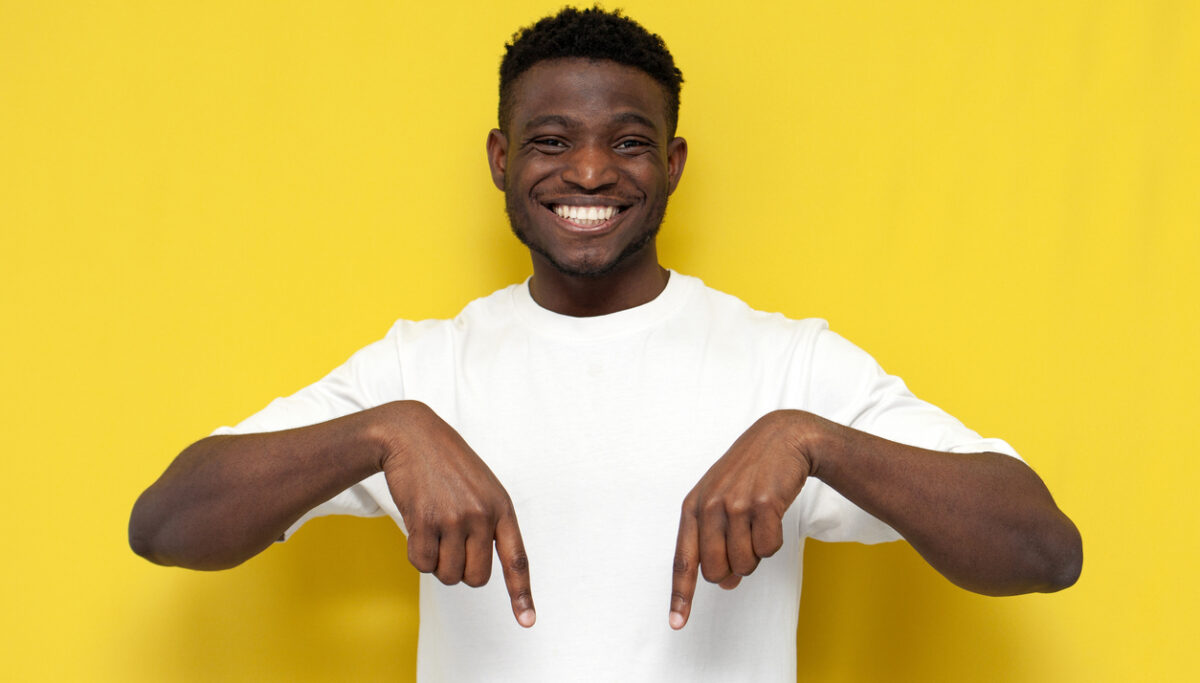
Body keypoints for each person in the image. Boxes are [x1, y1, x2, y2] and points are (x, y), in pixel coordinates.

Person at [129, 7, 1081, 681]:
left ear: (669, 165)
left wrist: (812, 440)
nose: (588, 170)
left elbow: (1041, 545)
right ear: (503, 159)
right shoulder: (423, 368)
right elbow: (167, 524)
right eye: (551, 140)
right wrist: (381, 433)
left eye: (627, 142)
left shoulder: (786, 363)